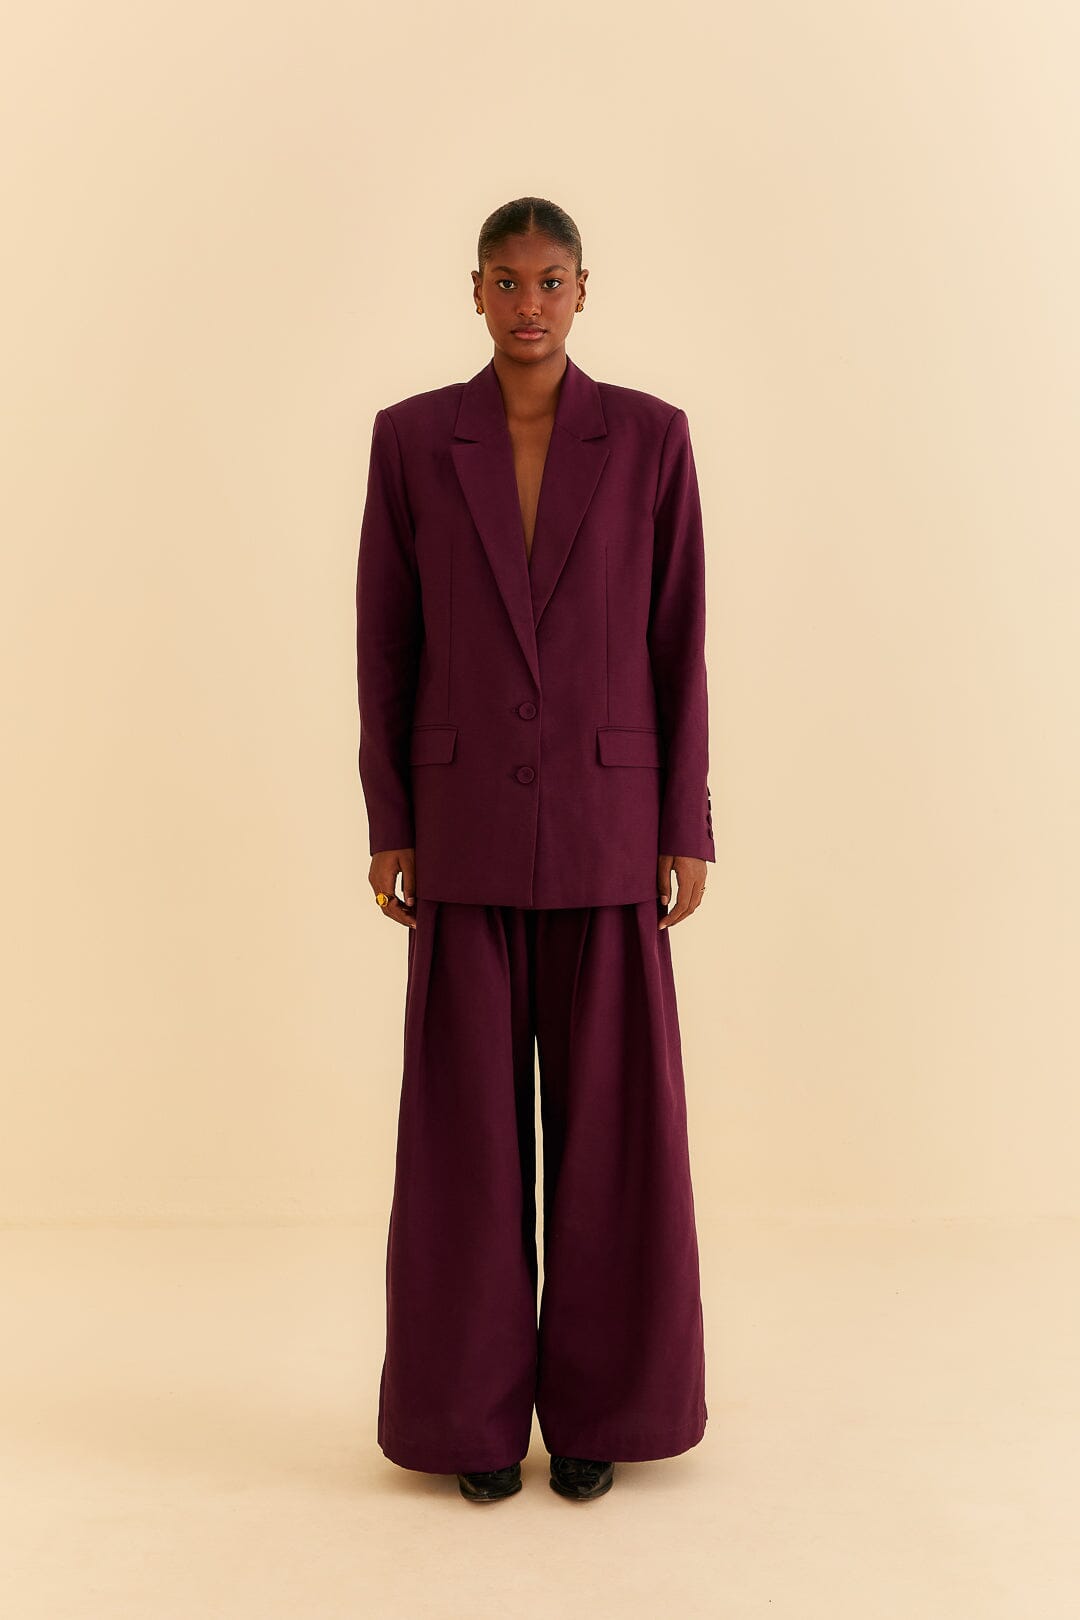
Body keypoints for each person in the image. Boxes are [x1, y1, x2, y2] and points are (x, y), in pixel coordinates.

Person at [355, 196, 715, 1505]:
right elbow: (385, 641)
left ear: (582, 290)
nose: (528, 304)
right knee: (463, 1144)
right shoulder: (412, 440)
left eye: (550, 281)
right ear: (475, 292)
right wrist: (390, 818)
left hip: (611, 830)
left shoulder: (653, 439)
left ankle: (604, 1412)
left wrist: (684, 823)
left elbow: (679, 640)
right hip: (461, 830)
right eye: (505, 282)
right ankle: (469, 1419)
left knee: (616, 1139)